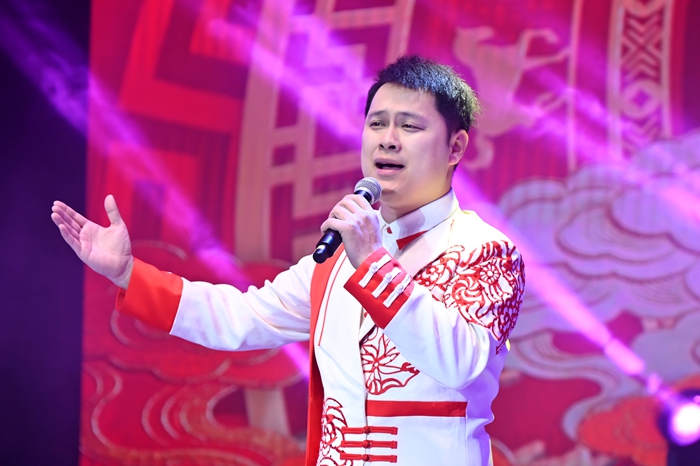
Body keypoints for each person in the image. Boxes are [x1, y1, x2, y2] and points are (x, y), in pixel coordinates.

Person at [52, 55, 525, 465]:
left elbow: (459, 362)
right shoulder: (337, 257)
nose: (387, 140)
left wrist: (372, 261)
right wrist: (129, 275)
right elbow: (241, 318)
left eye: (410, 126)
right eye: (377, 123)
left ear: (455, 147)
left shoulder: (485, 250)